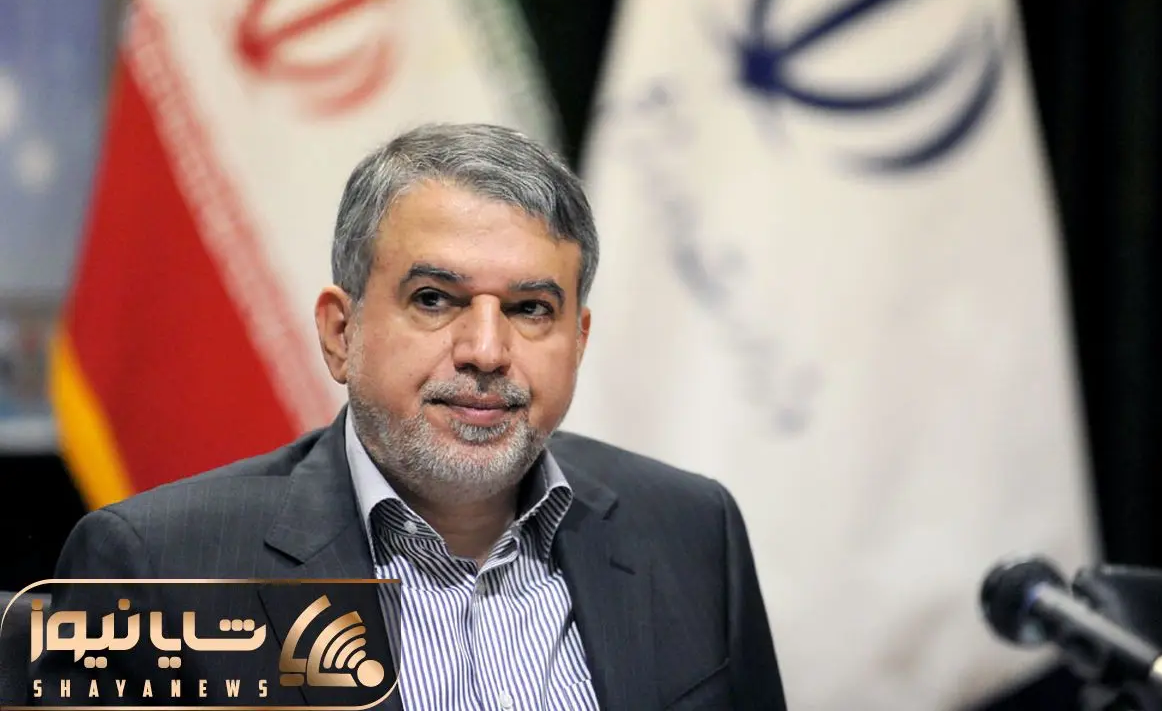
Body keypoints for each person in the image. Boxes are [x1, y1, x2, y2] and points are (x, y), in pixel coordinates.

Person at [29, 123, 786, 710]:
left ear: (578, 341)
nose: (486, 350)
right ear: (341, 332)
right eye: (434, 300)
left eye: (530, 309)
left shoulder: (692, 530)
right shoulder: (157, 567)